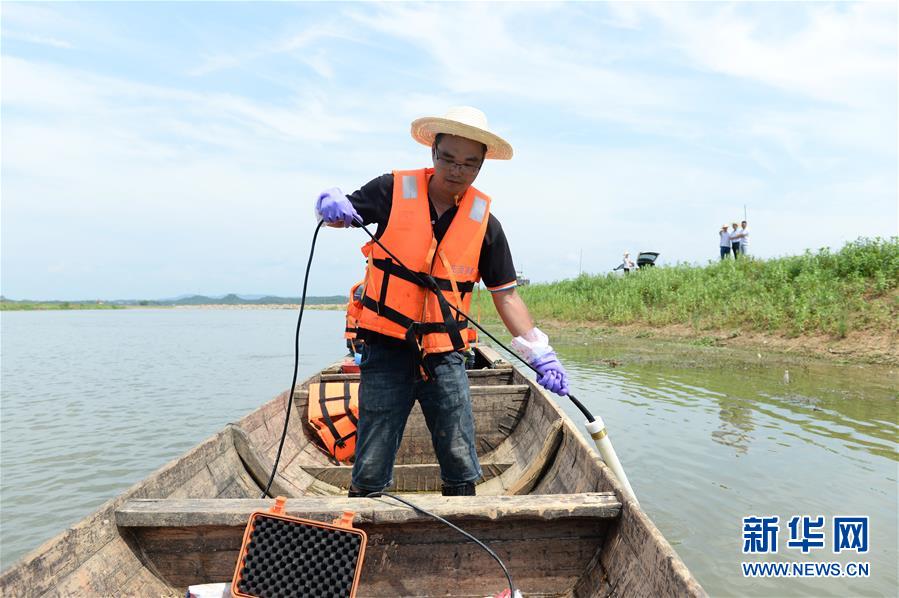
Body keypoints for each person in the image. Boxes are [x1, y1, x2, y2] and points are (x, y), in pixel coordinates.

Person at [314, 106, 570, 498]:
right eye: (448, 158)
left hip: (446, 352)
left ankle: (463, 515)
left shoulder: (486, 224)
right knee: (370, 460)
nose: (457, 170)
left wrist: (539, 352)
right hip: (385, 347)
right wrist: (329, 204)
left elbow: (507, 295)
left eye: (469, 164)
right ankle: (366, 516)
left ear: (481, 167)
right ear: (433, 151)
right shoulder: (390, 190)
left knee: (459, 452)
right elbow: (341, 215)